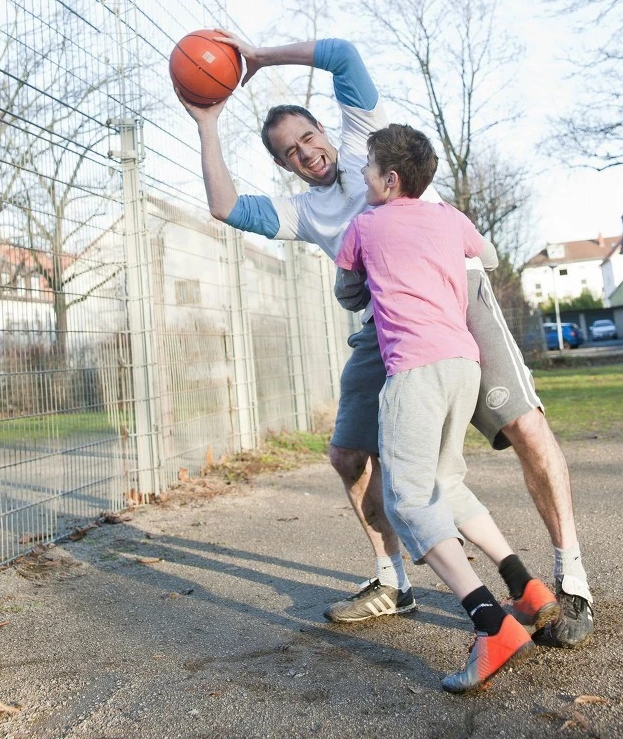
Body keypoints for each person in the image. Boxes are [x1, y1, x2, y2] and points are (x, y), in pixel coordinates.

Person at [177, 34, 593, 648]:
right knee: (348, 454)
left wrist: (260, 57)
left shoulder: (363, 144)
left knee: (526, 428)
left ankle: (572, 582)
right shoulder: (303, 213)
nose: (306, 153)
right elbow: (224, 205)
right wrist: (208, 122)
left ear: (324, 128)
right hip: (388, 326)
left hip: (454, 297)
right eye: (290, 152)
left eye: (308, 137)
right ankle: (392, 580)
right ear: (283, 164)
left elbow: (342, 54)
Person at [334, 122, 556, 691]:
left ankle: (490, 624)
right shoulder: (451, 218)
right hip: (464, 362)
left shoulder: (364, 224)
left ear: (389, 178)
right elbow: (482, 251)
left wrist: (374, 276)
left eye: (368, 168)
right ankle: (525, 585)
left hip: (414, 369)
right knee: (445, 483)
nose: (361, 175)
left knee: (409, 499)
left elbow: (347, 292)